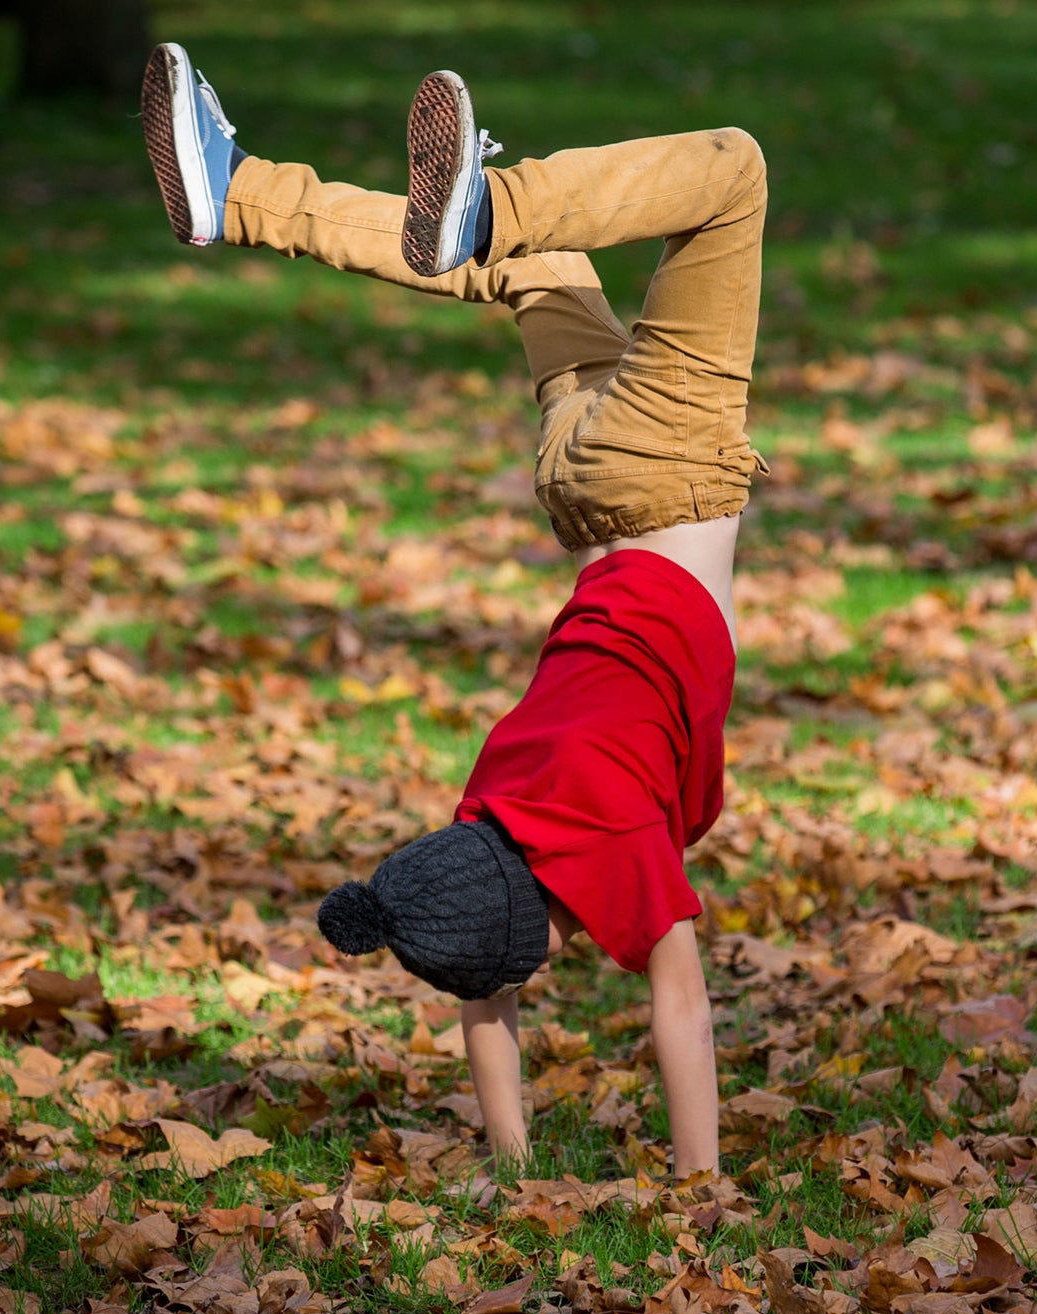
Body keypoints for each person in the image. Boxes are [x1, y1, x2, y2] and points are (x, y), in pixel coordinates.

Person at [139, 44, 769, 1178]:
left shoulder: (613, 840)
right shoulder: (494, 797)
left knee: (731, 174)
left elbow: (673, 1005)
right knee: (533, 265)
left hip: (662, 477)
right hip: (576, 487)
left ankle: (487, 202)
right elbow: (480, 981)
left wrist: (701, 1188)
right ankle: (238, 195)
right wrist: (509, 1173)